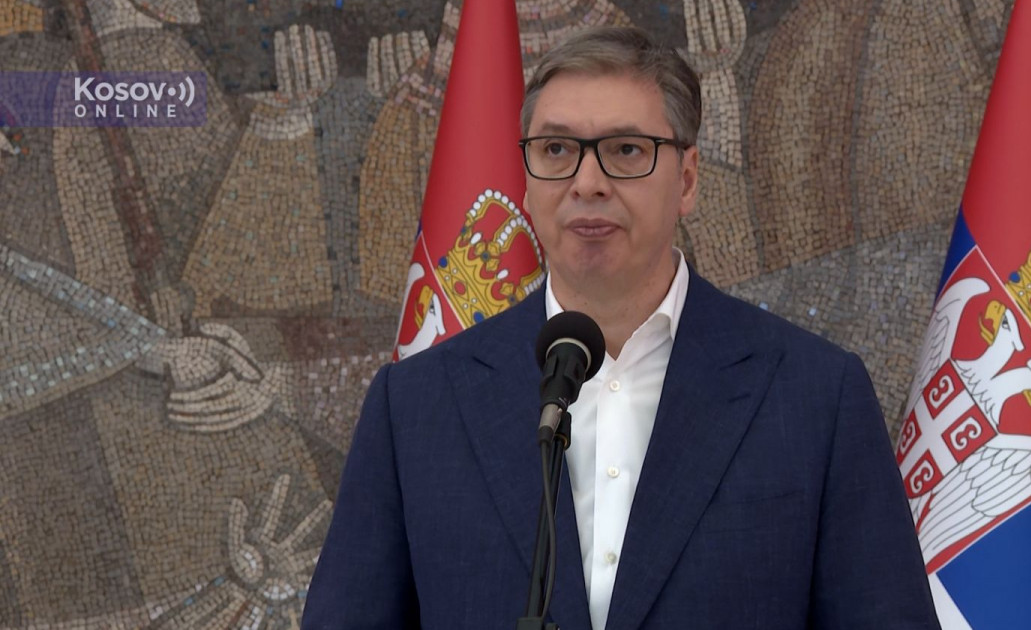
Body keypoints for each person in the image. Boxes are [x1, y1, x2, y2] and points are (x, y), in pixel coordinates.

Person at [302, 26, 939, 629]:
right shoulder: (415, 405)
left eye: (626, 150)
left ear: (687, 179)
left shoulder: (815, 396)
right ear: (525, 179)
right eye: (556, 150)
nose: (587, 183)